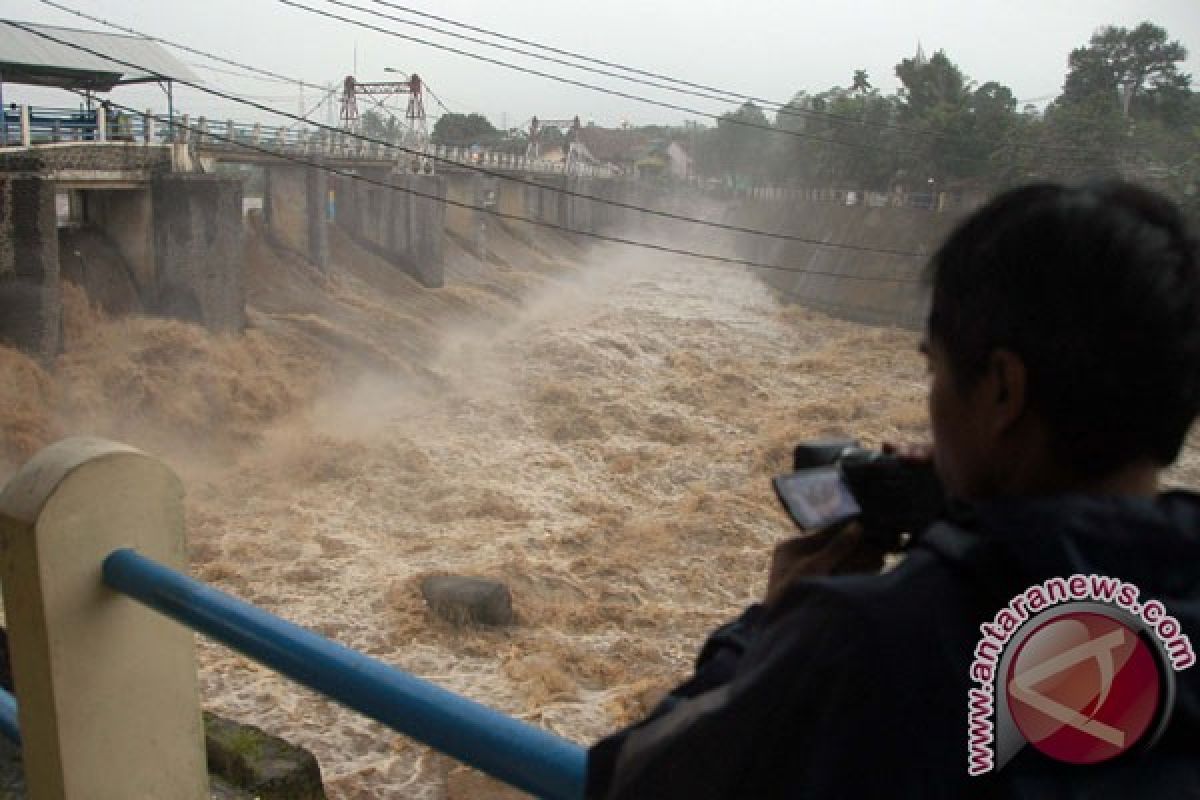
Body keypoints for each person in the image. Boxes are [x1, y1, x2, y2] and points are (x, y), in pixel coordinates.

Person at [587, 182, 1200, 798]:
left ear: (1002, 391)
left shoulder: (867, 643)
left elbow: (631, 780)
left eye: (933, 367)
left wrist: (767, 628)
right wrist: (975, 523)